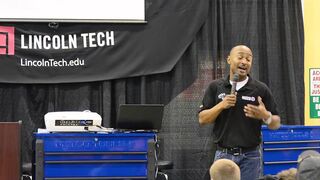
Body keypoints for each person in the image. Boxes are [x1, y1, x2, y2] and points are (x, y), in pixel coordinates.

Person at [198, 45, 281, 180]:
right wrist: (221, 105)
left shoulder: (260, 89)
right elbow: (202, 119)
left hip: (251, 156)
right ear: (229, 59)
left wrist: (265, 116)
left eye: (248, 59)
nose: (244, 62)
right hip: (223, 154)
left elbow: (276, 124)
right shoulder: (215, 87)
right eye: (240, 57)